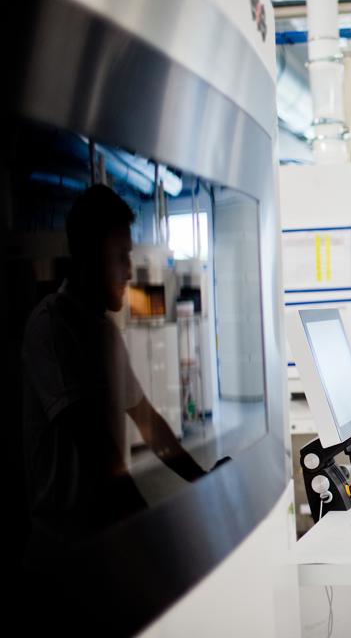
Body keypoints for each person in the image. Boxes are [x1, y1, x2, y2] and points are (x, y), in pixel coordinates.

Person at [21, 184, 207, 569]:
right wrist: (149, 528)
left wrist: (201, 478)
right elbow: (96, 448)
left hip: (104, 534)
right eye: (120, 257)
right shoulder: (52, 325)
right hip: (65, 546)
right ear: (89, 256)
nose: (127, 272)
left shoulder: (103, 330)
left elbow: (150, 424)